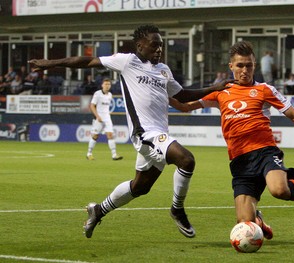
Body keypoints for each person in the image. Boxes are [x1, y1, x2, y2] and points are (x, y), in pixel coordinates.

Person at [29, 24, 231, 239]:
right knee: (186, 160)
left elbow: (181, 95)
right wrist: (49, 63)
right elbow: (88, 61)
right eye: (154, 45)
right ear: (140, 45)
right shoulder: (127, 61)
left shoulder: (164, 70)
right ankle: (177, 209)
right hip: (144, 134)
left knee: (140, 187)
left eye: (161, 46)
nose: (159, 49)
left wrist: (212, 88)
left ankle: (98, 210)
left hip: (158, 135)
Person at [172, 41, 294, 240]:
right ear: (231, 66)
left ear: (255, 66)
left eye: (249, 65)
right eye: (240, 65)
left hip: (265, 151)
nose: (245, 70)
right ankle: (258, 220)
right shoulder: (220, 92)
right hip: (239, 160)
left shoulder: (264, 90)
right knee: (244, 224)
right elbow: (184, 107)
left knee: (279, 190)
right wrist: (161, 93)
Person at [86, 78, 123, 161]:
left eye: (108, 84)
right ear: (102, 85)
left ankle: (114, 155)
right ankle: (89, 153)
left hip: (107, 118)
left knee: (110, 135)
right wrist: (97, 116)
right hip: (99, 118)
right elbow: (92, 106)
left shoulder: (110, 95)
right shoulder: (97, 94)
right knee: (95, 136)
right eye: (105, 84)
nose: (107, 86)